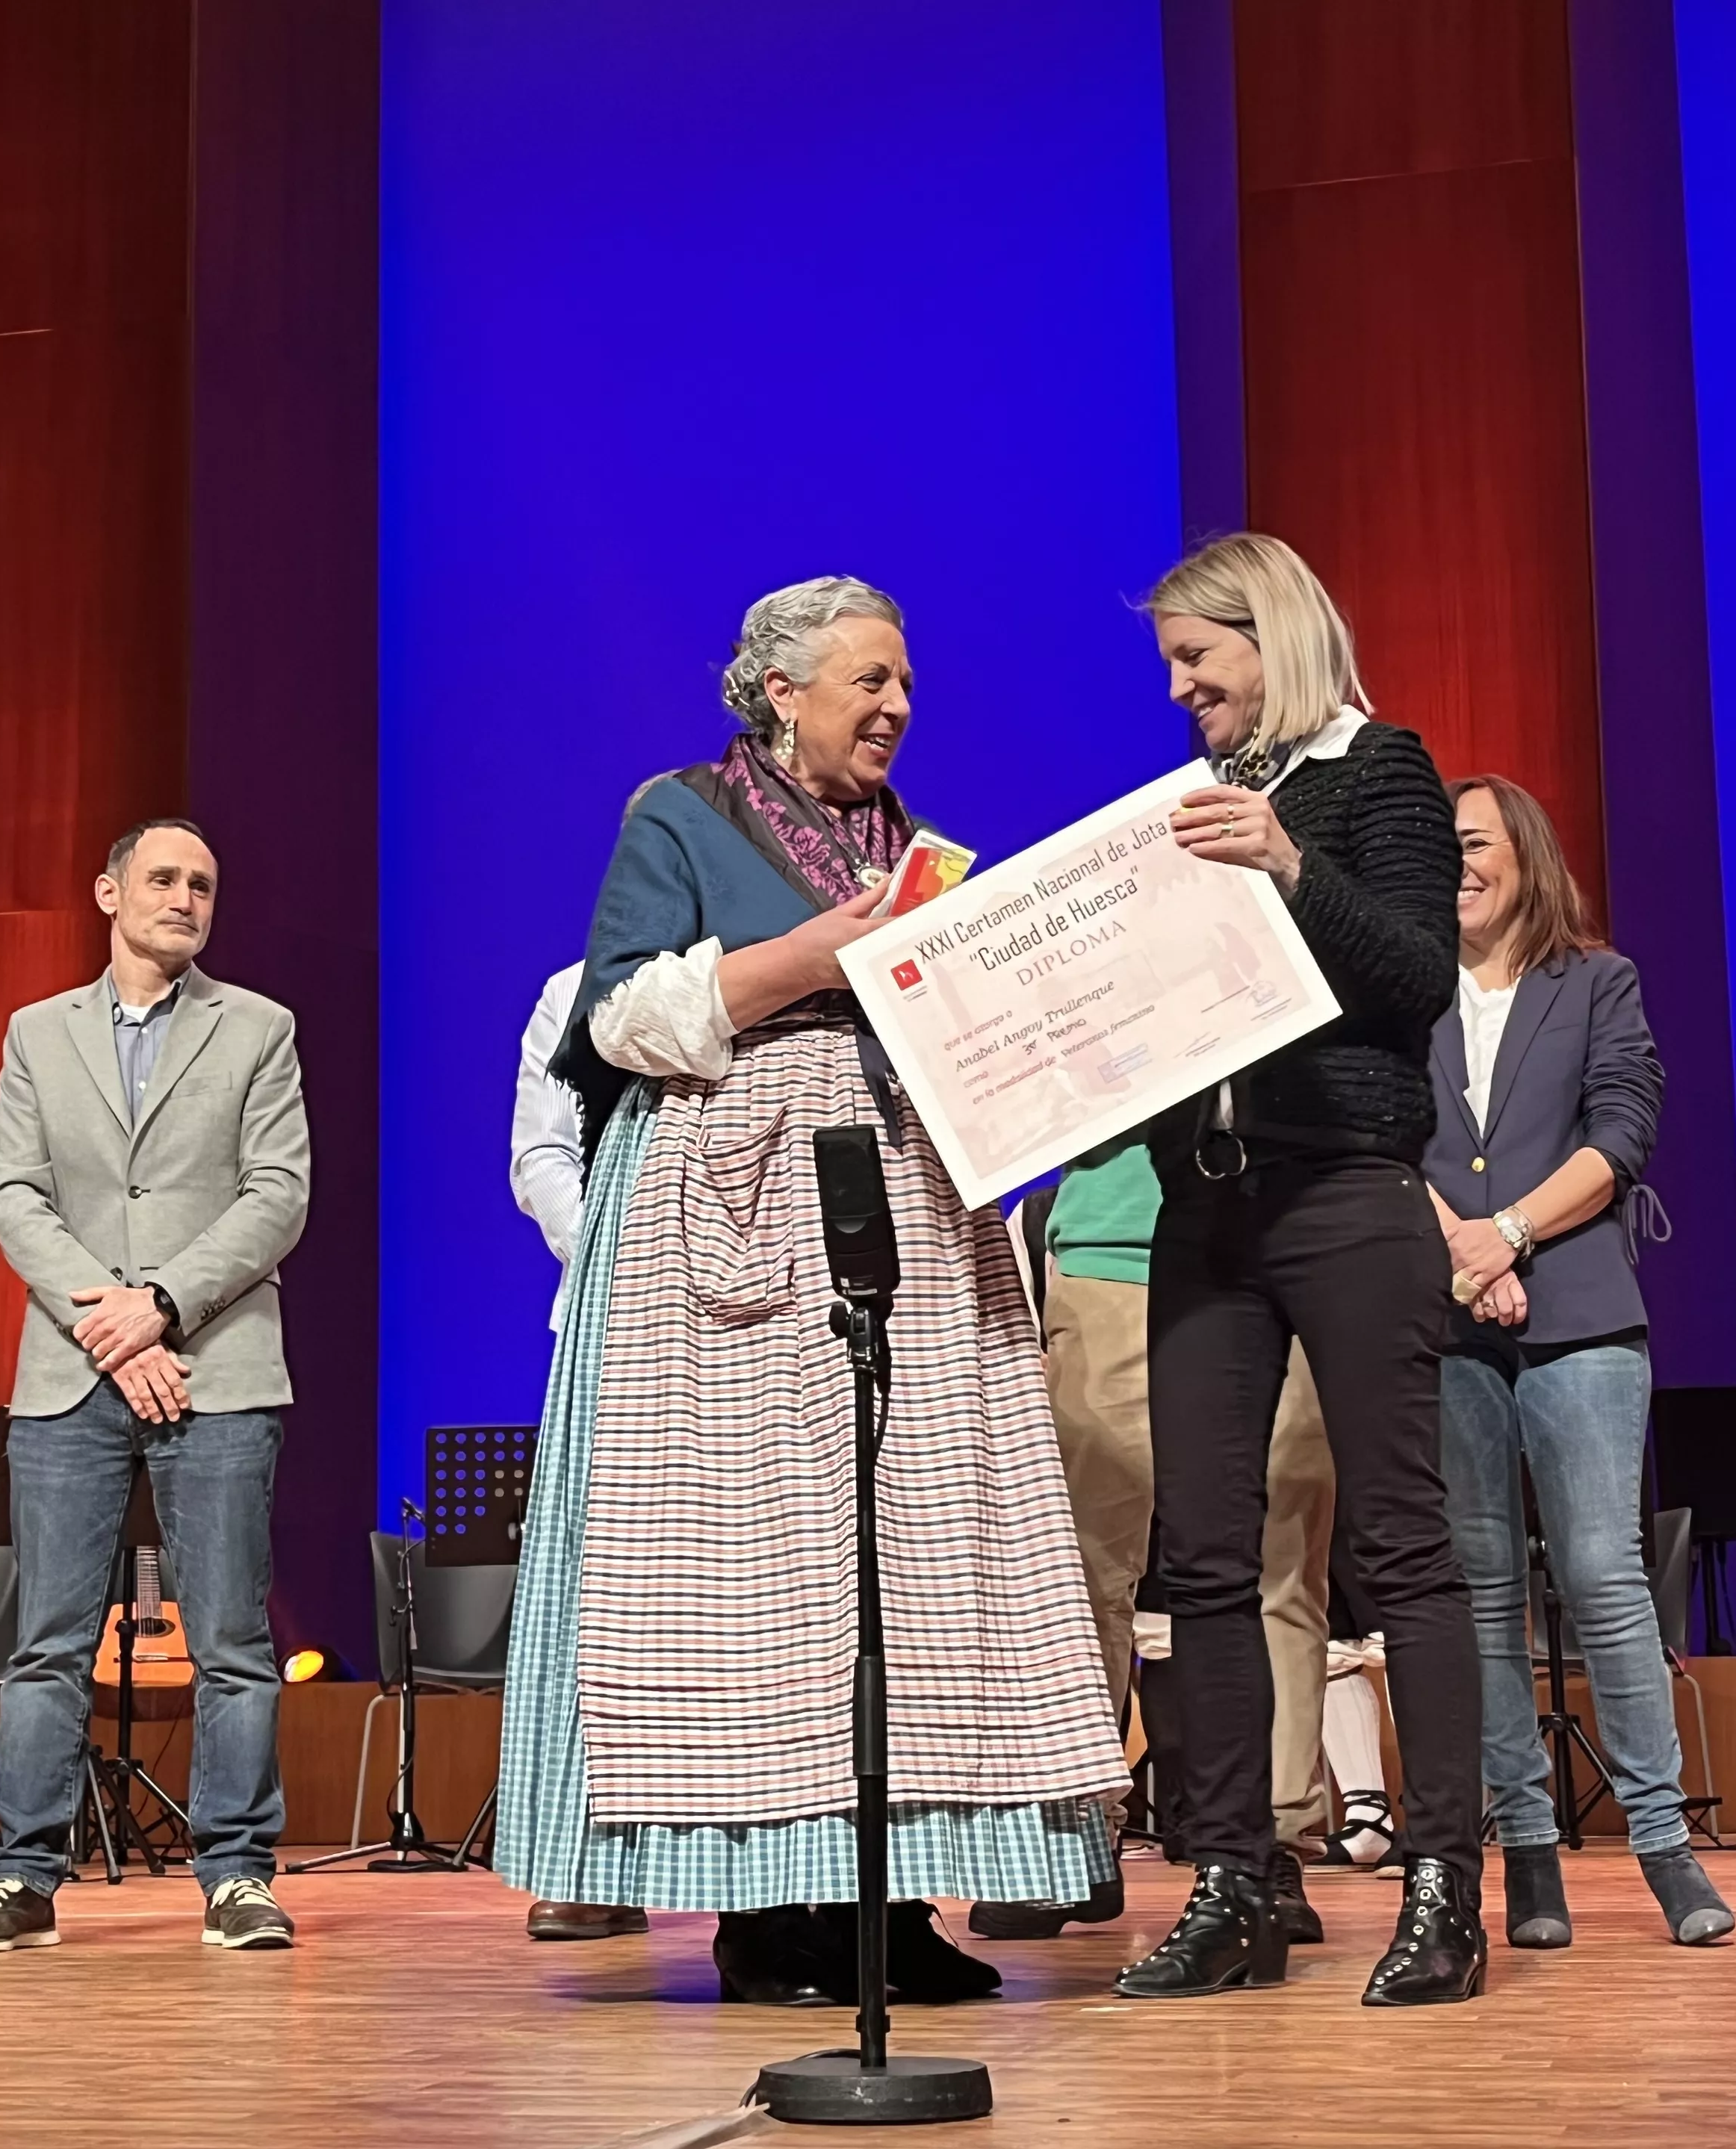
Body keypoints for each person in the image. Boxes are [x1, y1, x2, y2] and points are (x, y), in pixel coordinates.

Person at [495, 575, 1123, 2007]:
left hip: (906, 1181)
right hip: (740, 1195)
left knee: (912, 1551)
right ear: (780, 690)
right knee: (754, 1560)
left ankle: (894, 1908)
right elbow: (621, 1017)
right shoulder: (681, 815)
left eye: (905, 683)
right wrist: (815, 953)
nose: (897, 705)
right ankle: (769, 1917)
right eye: (870, 680)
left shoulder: (917, 849)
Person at [1117, 533, 1487, 2007]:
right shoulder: (1185, 808)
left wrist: (1286, 862)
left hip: (1344, 1194)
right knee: (1200, 1555)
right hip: (1203, 1206)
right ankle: (1237, 1882)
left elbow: (1413, 974)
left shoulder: (1376, 770)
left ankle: (1446, 1887)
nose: (1181, 689)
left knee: (1399, 1547)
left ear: (1267, 636)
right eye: (1169, 669)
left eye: (1195, 658)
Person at [0, 818, 311, 1954]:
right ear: (109, 892)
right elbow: (16, 1198)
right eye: (163, 878)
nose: (185, 898)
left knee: (233, 1639)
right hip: (73, 1369)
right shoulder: (36, 1034)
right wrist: (113, 1319)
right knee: (49, 1639)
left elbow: (278, 1194)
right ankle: (19, 1877)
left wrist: (161, 1307)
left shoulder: (259, 1030)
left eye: (204, 883)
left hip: (219, 1364)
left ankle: (238, 1873)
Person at [1428, 775, 1733, 1949]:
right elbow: (1389, 1140)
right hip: (1449, 1322)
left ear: (1527, 855)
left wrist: (1505, 1236)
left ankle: (1665, 1848)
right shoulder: (1408, 996)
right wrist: (1462, 1253)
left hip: (1584, 1322)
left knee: (1605, 1581)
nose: (1459, 864)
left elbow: (1622, 1136)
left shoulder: (1600, 983)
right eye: (1444, 847)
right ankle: (1530, 1856)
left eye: (1476, 844)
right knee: (1484, 1595)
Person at [968, 1138, 1340, 1944]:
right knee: (1082, 1574)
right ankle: (1074, 1837)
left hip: (1284, 1237)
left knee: (1277, 1568)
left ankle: (1270, 1840)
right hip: (1114, 1247)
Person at [506, 960, 648, 1944]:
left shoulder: (792, 966)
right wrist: (619, 1254)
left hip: (769, 1318)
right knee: (605, 1596)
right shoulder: (575, 990)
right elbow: (542, 1157)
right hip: (621, 1309)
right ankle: (590, 1859)